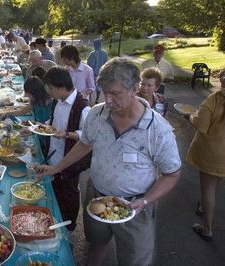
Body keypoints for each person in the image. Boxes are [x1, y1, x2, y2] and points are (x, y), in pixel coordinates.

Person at [37, 57, 181, 266]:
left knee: (134, 259)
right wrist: (57, 168)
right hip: (96, 196)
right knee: (95, 244)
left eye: (115, 93)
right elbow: (85, 144)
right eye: (105, 92)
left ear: (134, 89)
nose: (108, 100)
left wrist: (146, 201)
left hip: (135, 205)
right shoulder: (97, 114)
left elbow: (172, 174)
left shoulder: (158, 130)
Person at [40, 67, 91, 234]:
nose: (49, 92)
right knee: (55, 190)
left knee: (69, 192)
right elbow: (53, 120)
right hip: (53, 154)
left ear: (61, 87)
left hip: (70, 158)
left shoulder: (82, 107)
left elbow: (89, 136)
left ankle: (69, 228)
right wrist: (40, 127)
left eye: (51, 88)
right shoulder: (58, 101)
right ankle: (55, 221)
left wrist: (67, 134)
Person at [186, 70, 225, 241]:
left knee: (208, 187)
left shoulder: (215, 99)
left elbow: (201, 124)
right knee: (215, 182)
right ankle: (203, 206)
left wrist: (190, 116)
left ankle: (207, 229)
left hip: (213, 152)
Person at [87, 38, 108, 103]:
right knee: (99, 87)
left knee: (90, 86)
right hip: (101, 73)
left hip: (93, 73)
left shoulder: (92, 54)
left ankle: (89, 99)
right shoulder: (105, 53)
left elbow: (90, 64)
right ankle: (97, 99)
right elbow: (106, 63)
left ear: (95, 45)